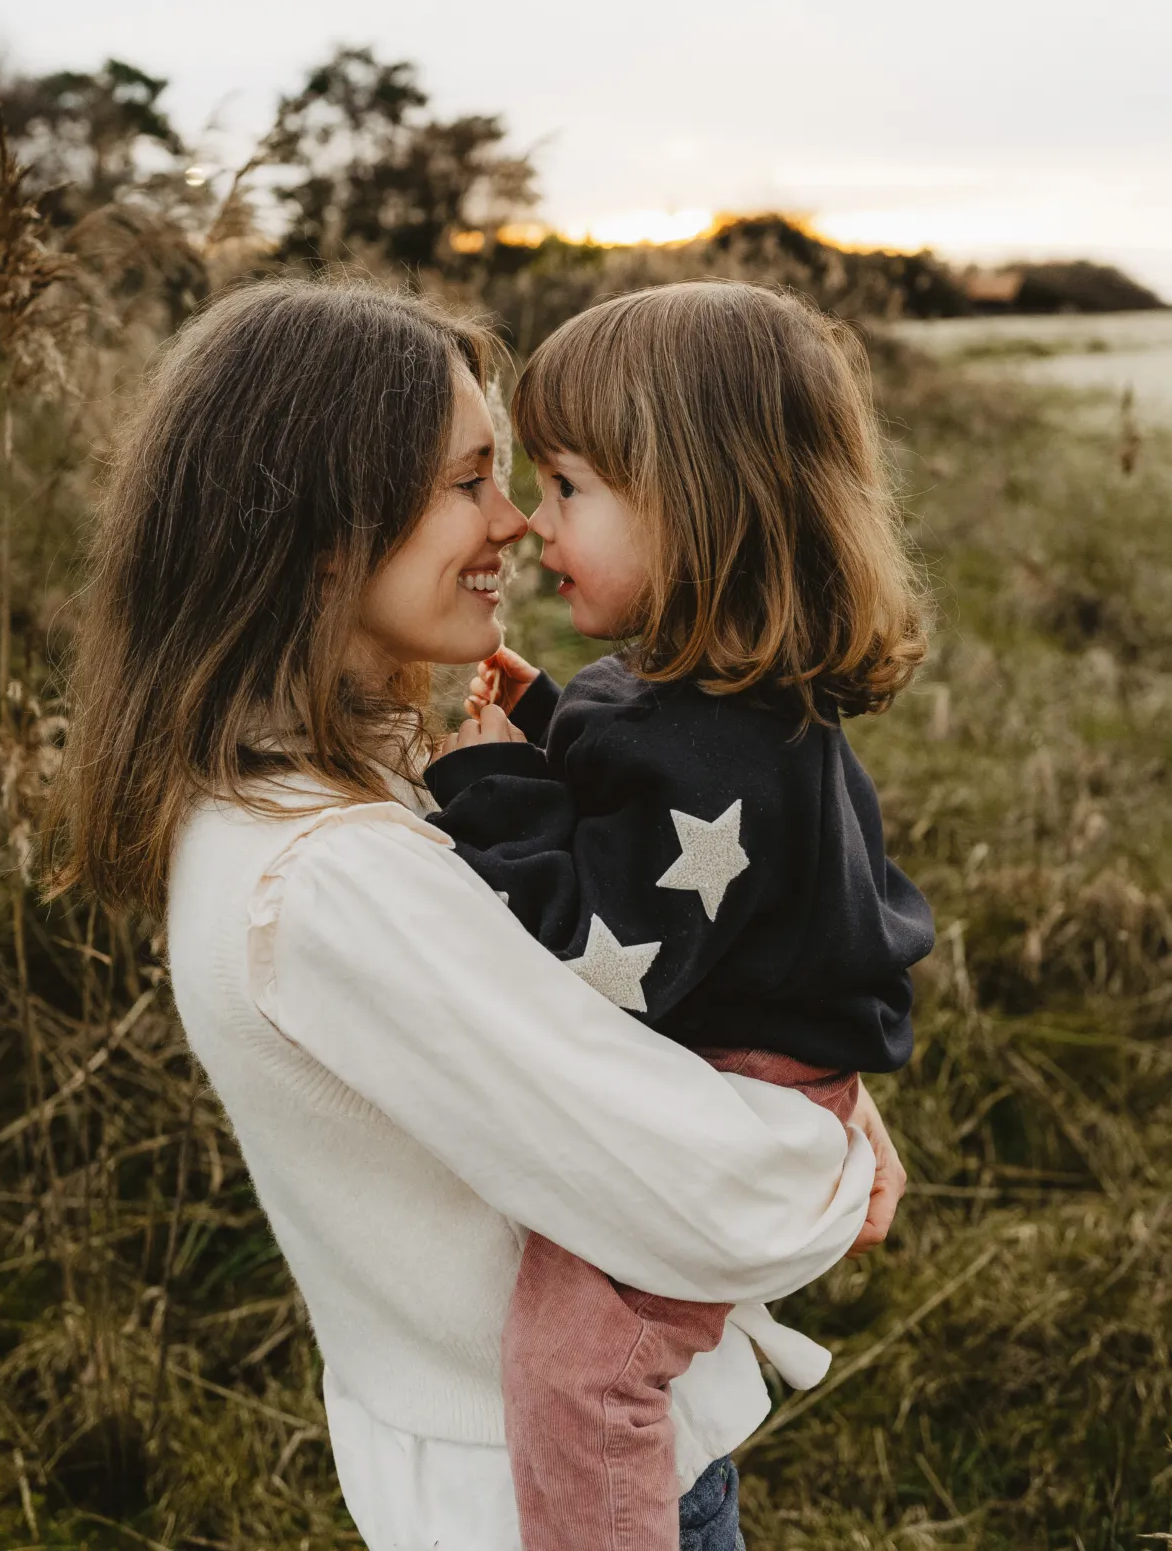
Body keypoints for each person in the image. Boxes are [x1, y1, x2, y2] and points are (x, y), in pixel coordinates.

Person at [49, 278, 903, 1551]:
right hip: (538, 1498)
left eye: (531, 479)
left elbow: (624, 970)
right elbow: (718, 1198)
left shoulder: (322, 784)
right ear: (324, 530)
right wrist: (828, 1147)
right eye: (470, 482)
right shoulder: (328, 880)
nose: (512, 520)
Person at [424, 281, 934, 1551]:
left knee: (578, 1365)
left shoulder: (714, 750)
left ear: (695, 506)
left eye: (567, 487)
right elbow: (634, 800)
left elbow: (604, 957)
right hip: (764, 1059)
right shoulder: (716, 694)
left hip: (742, 1089)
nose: (534, 525)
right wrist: (545, 719)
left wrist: (488, 787)